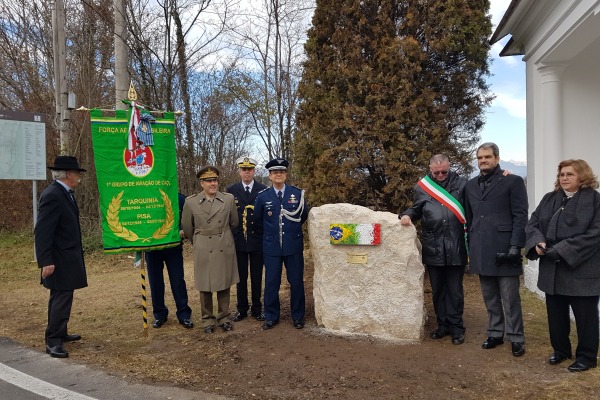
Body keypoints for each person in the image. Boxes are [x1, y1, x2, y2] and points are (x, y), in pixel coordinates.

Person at [525, 159, 600, 372]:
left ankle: (586, 357)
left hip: (582, 268)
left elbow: (595, 234)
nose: (564, 178)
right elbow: (534, 223)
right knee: (556, 315)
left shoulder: (595, 201)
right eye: (561, 175)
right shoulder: (550, 199)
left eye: (570, 174)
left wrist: (562, 249)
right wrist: (537, 242)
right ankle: (561, 350)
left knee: (586, 317)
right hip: (553, 268)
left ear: (582, 176)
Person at [464, 142, 528, 357]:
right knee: (490, 296)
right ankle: (495, 333)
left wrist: (515, 245)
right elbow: (471, 217)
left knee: (510, 298)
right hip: (481, 248)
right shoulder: (471, 185)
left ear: (497, 158)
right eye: (480, 158)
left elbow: (520, 215)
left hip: (504, 248)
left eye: (487, 157)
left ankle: (516, 337)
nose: (483, 161)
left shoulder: (513, 181)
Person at [399, 154, 467, 345]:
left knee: (454, 290)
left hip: (456, 245)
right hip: (433, 246)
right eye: (436, 172)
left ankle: (456, 327)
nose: (440, 175)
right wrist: (407, 215)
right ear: (430, 169)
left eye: (444, 171)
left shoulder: (463, 184)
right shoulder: (422, 187)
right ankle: (442, 325)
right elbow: (417, 209)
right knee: (438, 290)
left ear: (449, 167)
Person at [35, 155, 87, 358]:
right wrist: (45, 260)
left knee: (61, 296)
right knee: (61, 297)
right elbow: (42, 231)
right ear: (68, 174)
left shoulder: (65, 193)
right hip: (58, 258)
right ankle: (53, 340)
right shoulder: (53, 195)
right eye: (77, 174)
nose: (78, 179)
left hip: (67, 257)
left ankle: (60, 331)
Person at [254, 158, 309, 330]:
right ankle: (271, 316)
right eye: (275, 172)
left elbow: (303, 215)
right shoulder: (263, 197)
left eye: (282, 171)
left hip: (293, 245)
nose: (278, 174)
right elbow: (258, 220)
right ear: (269, 176)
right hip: (272, 246)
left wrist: (291, 232)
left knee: (296, 282)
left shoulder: (297, 194)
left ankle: (298, 316)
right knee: (271, 282)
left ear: (286, 174)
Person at [182, 166, 239, 333]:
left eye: (215, 180)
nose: (213, 184)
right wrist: (198, 241)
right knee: (205, 284)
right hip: (203, 246)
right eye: (209, 181)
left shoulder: (228, 199)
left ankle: (224, 317)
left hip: (223, 244)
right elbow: (187, 227)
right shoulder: (191, 202)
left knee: (223, 282)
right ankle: (207, 319)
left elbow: (234, 222)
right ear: (202, 183)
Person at [227, 156, 267, 322]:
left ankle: (257, 308)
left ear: (254, 171)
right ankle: (242, 309)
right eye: (244, 169)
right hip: (239, 240)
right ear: (239, 171)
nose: (247, 172)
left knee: (257, 276)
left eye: (249, 169)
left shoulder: (263, 189)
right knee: (241, 277)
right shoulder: (231, 190)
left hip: (257, 239)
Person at [146, 192, 193, 329]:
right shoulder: (145, 196)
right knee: (155, 282)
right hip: (152, 246)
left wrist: (182, 229)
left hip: (173, 246)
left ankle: (183, 314)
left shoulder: (179, 198)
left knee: (178, 280)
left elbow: (187, 218)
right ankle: (160, 314)